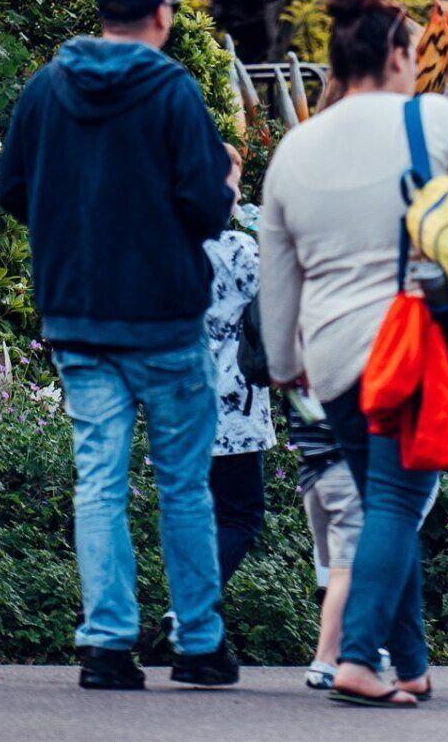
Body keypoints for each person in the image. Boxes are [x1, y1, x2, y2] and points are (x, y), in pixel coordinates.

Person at [258, 0, 448, 708]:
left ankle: (412, 665)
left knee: (383, 504)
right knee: (399, 503)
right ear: (400, 55)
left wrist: (283, 364)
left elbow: (280, 274)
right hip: (422, 344)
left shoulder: (295, 148)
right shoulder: (431, 120)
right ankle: (359, 659)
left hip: (333, 355)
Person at [0, 0, 241, 691]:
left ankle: (105, 644)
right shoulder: (174, 93)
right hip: (164, 318)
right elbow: (206, 205)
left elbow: (12, 188)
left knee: (98, 481)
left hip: (77, 315)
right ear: (161, 14)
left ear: (103, 12)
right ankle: (198, 644)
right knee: (184, 485)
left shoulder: (46, 87)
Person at [204, 163, 273, 591]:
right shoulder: (236, 249)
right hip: (234, 406)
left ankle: (190, 620)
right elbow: (279, 298)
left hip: (183, 402)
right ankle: (187, 610)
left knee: (200, 516)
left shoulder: (170, 244)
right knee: (241, 517)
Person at [290, 406, 362, 690]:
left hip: (311, 472)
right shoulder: (340, 365)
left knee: (337, 572)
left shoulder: (293, 364)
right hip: (345, 470)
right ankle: (325, 660)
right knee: (346, 572)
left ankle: (354, 646)